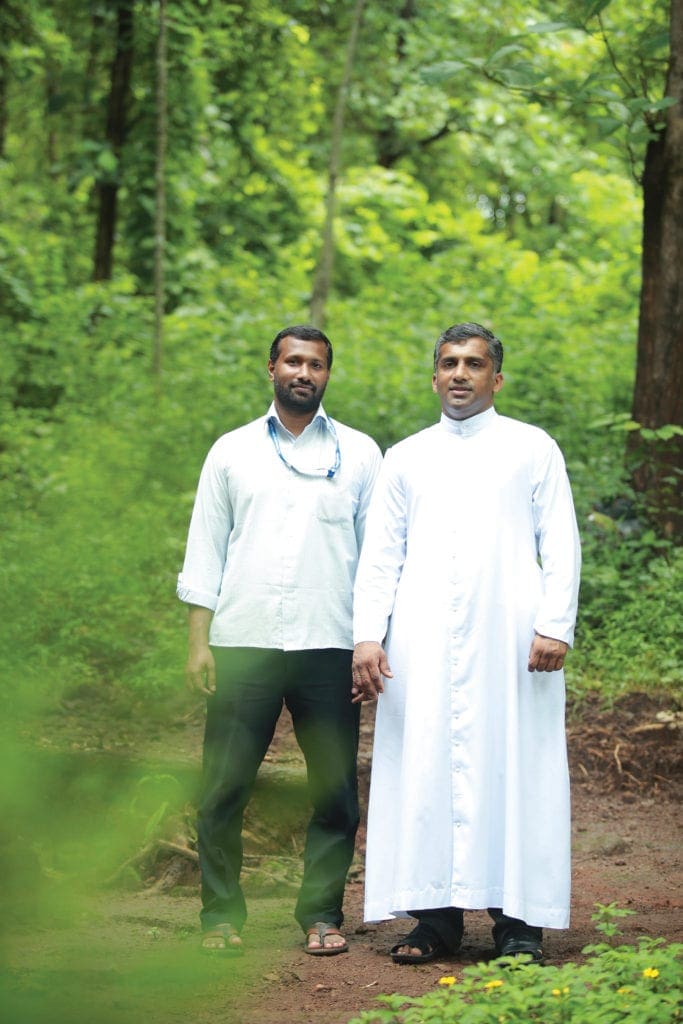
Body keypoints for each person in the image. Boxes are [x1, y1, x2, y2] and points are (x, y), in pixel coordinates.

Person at [351, 322, 581, 965]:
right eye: (448, 363)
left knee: (516, 766)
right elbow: (380, 555)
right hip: (419, 641)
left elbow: (560, 540)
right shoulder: (406, 456)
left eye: (473, 364)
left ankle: (518, 923)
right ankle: (435, 919)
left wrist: (555, 624)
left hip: (513, 642)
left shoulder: (532, 449)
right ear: (434, 376)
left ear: (496, 379)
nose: (459, 374)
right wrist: (367, 635)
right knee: (424, 768)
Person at [178, 325, 382, 957]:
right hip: (245, 642)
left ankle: (321, 914)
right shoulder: (231, 451)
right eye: (293, 360)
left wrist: (370, 641)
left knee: (334, 791)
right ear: (271, 368)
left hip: (330, 645)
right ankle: (220, 915)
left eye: (316, 364)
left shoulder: (360, 453)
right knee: (225, 784)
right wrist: (199, 641)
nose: (304, 372)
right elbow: (205, 549)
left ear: (327, 375)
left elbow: (378, 560)